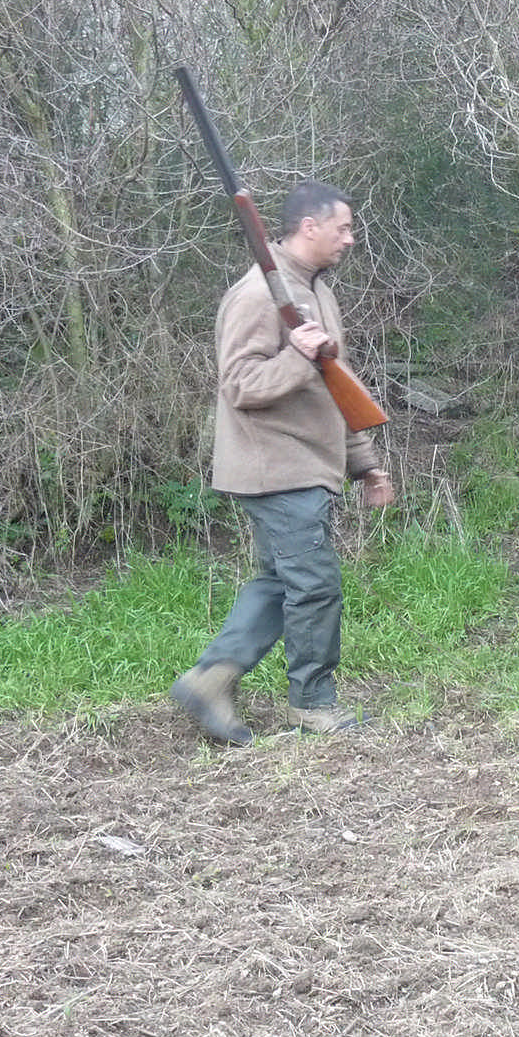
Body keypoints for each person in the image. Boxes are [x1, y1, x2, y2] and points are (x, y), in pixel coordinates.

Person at [169, 179, 395, 744]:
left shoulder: (315, 292)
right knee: (314, 586)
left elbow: (331, 388)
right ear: (309, 227)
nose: (350, 238)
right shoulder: (256, 295)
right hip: (277, 469)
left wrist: (364, 464)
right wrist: (298, 356)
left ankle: (209, 680)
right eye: (342, 228)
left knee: (280, 582)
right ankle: (313, 705)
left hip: (305, 466)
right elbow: (241, 385)